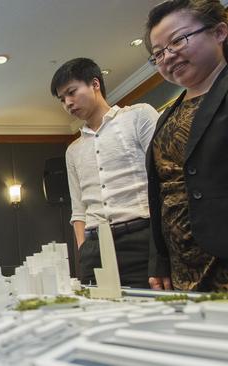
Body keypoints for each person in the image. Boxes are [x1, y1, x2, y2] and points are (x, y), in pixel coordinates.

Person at [144, 0, 228, 292]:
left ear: (219, 32)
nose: (168, 56)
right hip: (183, 269)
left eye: (178, 40)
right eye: (158, 53)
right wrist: (160, 260)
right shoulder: (166, 116)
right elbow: (161, 194)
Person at [50, 58, 160, 289]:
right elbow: (78, 208)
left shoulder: (138, 116)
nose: (68, 103)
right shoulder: (73, 150)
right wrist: (83, 249)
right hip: (94, 246)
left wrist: (162, 244)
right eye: (62, 99)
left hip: (141, 237)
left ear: (95, 84)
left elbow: (164, 179)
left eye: (72, 92)